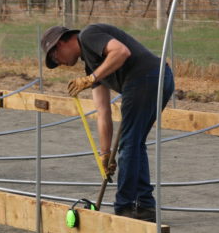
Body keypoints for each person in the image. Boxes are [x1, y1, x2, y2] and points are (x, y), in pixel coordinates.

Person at [40, 23, 174, 221]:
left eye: (54, 57)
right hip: (158, 78)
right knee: (135, 144)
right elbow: (103, 111)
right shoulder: (92, 65)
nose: (58, 63)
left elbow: (121, 51)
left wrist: (90, 78)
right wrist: (105, 154)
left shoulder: (88, 35)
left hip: (146, 78)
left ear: (61, 44)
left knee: (129, 144)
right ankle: (144, 205)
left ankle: (124, 206)